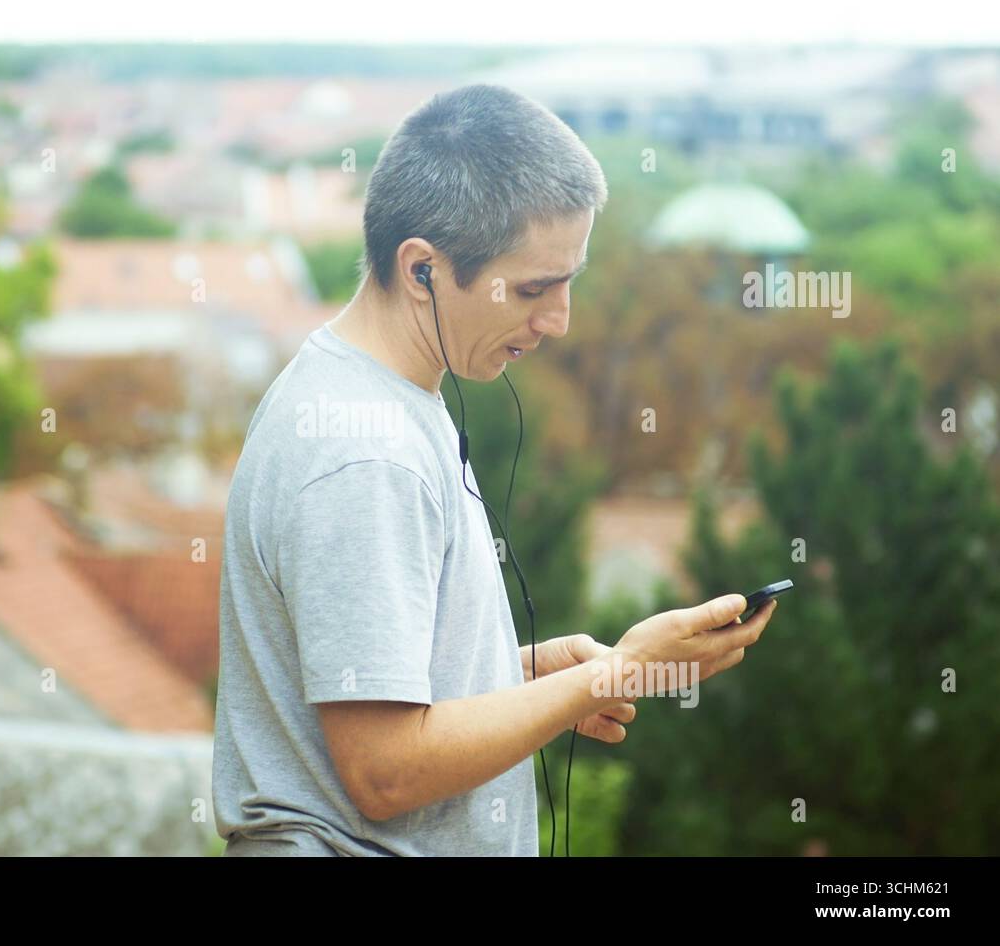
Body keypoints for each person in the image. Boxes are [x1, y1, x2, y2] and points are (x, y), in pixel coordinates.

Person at [211, 83, 775, 856]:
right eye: (534, 289)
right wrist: (610, 678)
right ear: (422, 271)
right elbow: (384, 771)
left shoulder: (372, 399)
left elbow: (364, 691)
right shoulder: (365, 455)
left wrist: (532, 682)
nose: (558, 320)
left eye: (568, 283)